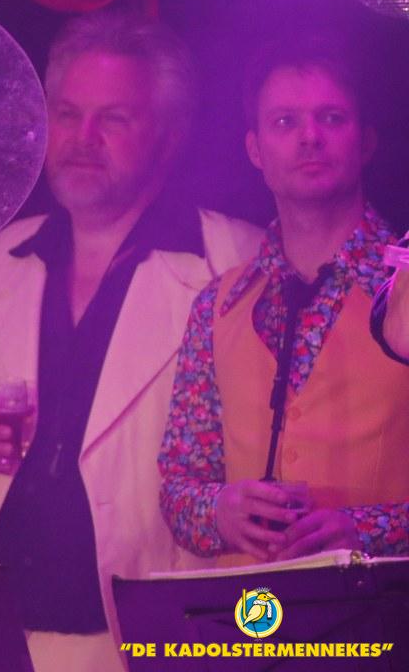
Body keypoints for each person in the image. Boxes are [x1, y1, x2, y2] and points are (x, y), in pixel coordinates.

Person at [0, 12, 260, 672]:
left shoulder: (233, 261)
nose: (83, 138)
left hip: (157, 638)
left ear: (169, 136)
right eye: (68, 115)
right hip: (4, 635)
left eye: (114, 119)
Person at [159, 33, 409, 566]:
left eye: (332, 118)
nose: (310, 137)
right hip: (252, 614)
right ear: (255, 150)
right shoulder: (217, 305)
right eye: (284, 122)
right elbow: (179, 487)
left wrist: (367, 530)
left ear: (365, 141)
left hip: (386, 611)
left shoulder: (403, 289)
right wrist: (219, 511)